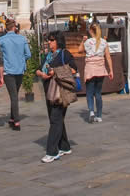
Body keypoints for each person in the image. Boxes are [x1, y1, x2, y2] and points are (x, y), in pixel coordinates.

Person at [36, 31, 77, 163]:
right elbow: (39, 68)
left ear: (58, 41)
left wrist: (55, 72)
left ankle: (52, 151)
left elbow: (74, 69)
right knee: (56, 119)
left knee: (55, 119)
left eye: (52, 40)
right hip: (49, 91)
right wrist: (40, 73)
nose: (49, 42)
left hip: (60, 91)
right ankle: (64, 146)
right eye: (49, 40)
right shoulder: (47, 55)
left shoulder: (65, 54)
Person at [0, 19, 31, 130]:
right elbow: (28, 54)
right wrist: (21, 60)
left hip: (8, 71)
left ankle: (16, 121)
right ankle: (13, 118)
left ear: (6, 28)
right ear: (14, 27)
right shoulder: (22, 39)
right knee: (14, 94)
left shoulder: (1, 40)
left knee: (13, 95)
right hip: (20, 69)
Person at [78, 22, 113, 122]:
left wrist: (82, 41)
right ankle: (99, 115)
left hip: (90, 69)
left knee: (89, 92)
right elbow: (108, 57)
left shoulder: (88, 42)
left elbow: (80, 50)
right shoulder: (103, 42)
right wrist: (111, 70)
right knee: (98, 93)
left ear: (90, 31)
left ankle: (92, 111)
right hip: (100, 69)